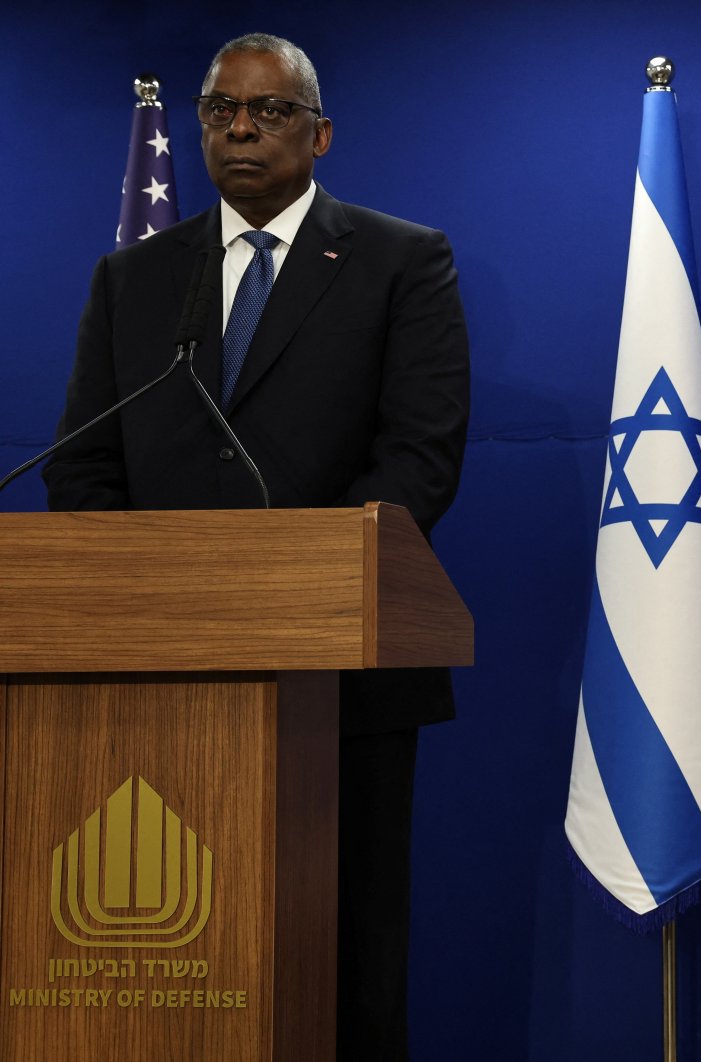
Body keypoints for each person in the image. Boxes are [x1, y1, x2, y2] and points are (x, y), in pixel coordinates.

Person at [43, 33, 469, 1062]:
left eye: (269, 112)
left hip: (343, 684)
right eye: (220, 110)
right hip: (157, 688)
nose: (240, 128)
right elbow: (83, 473)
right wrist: (172, 609)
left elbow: (417, 464)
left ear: (319, 134)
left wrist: (292, 595)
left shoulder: (401, 262)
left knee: (343, 969)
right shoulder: (134, 279)